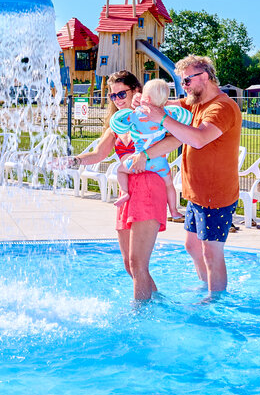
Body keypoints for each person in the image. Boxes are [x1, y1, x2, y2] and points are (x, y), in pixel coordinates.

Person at [136, 55, 243, 293]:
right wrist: (147, 103)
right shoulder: (196, 102)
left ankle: (216, 300)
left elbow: (199, 139)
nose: (183, 86)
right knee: (192, 247)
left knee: (211, 252)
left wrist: (161, 118)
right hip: (196, 194)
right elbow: (172, 104)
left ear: (204, 77)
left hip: (216, 195)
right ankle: (208, 287)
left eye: (186, 81)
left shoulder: (221, 108)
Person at [62, 71, 165, 300]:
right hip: (126, 190)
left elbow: (174, 125)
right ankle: (158, 304)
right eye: (112, 96)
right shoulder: (116, 126)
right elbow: (99, 154)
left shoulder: (151, 117)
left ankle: (140, 316)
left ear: (137, 91)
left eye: (122, 93)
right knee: (130, 265)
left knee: (138, 263)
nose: (117, 100)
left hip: (148, 185)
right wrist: (74, 160)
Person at [110, 78, 189, 220]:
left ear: (144, 97)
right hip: (160, 162)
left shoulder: (136, 114)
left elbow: (118, 123)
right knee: (169, 184)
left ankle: (124, 192)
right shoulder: (166, 114)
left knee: (120, 170)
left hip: (137, 160)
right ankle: (174, 211)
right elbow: (185, 117)